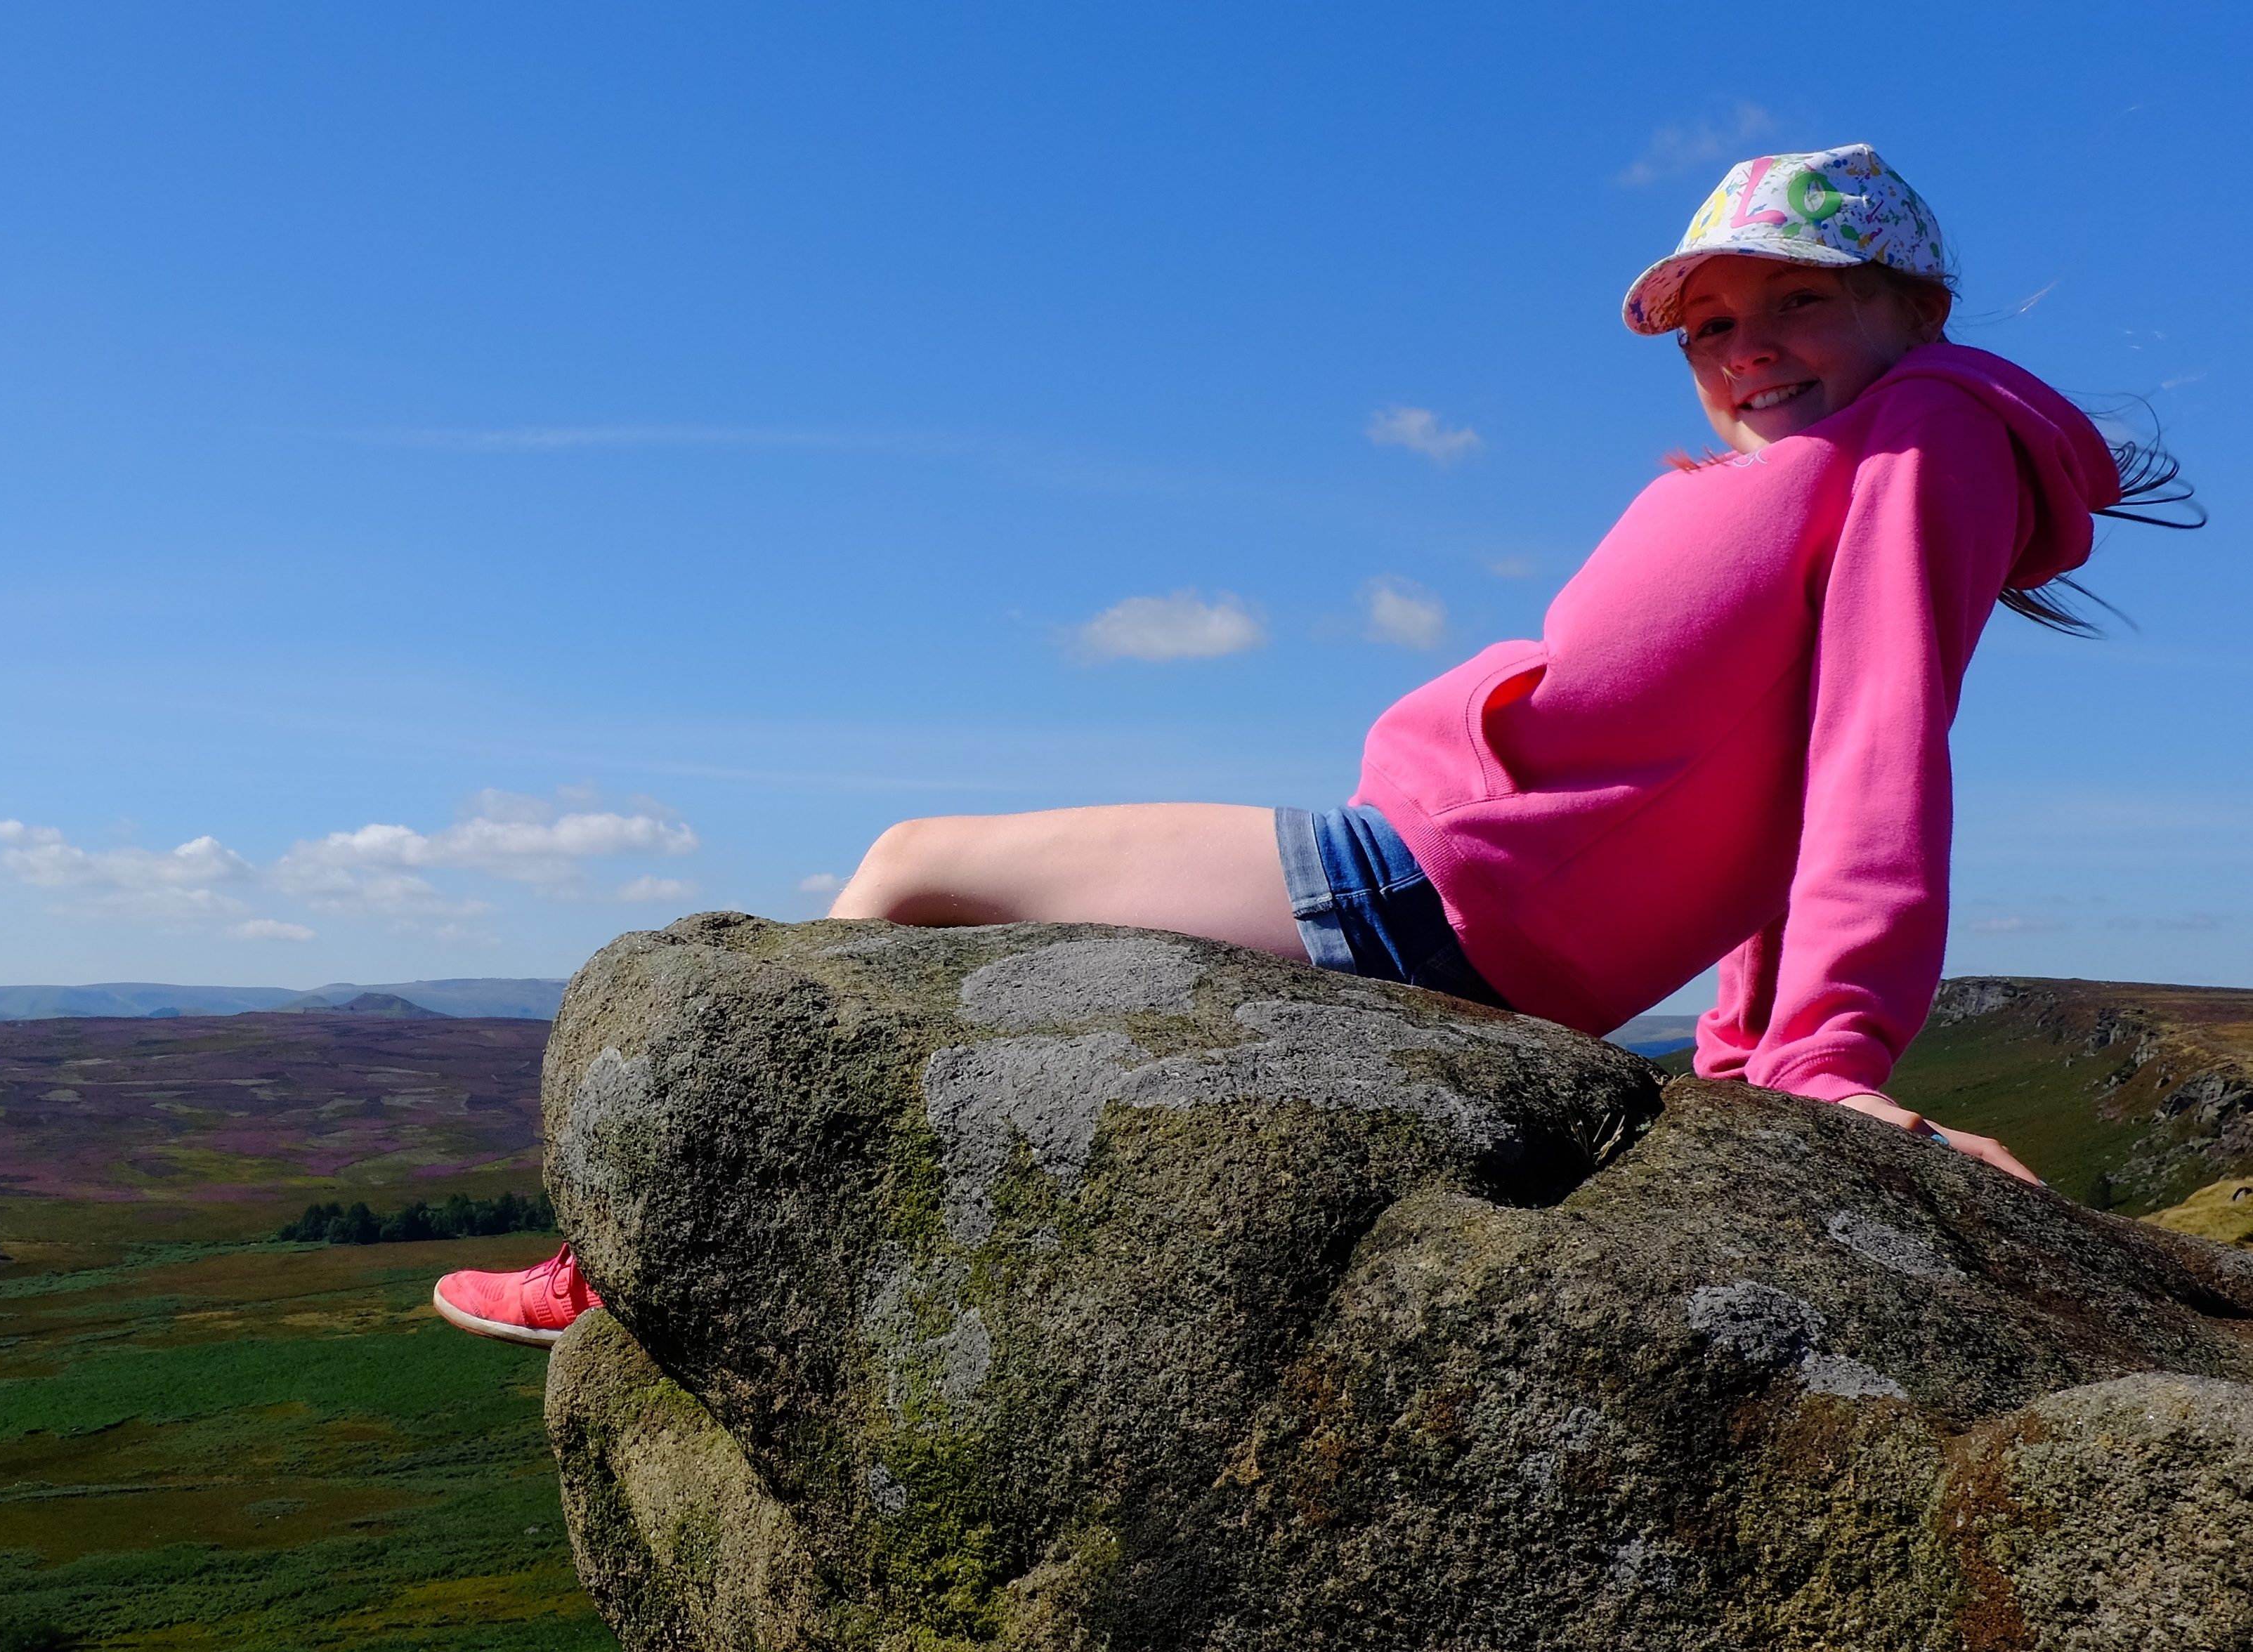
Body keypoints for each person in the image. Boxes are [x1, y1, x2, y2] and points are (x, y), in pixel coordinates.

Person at [433, 143, 2197, 1348]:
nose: (1745, 353)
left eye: (1793, 303)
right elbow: (1783, 775)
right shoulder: (1874, 457)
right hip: (1485, 911)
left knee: (908, 870)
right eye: (1711, 328)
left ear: (1909, 310)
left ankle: (636, 1264)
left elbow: (1877, 754)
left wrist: (1820, 1055)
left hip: (1434, 890)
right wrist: (1743, 1046)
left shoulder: (1921, 445)